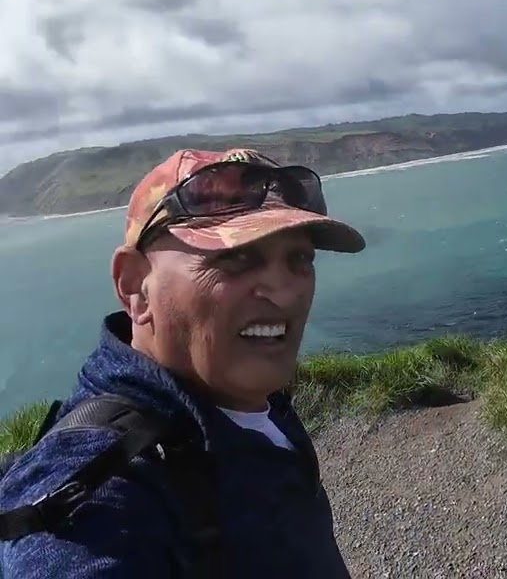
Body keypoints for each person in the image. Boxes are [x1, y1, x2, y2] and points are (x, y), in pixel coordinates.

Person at [0, 147, 366, 577]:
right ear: (135, 287)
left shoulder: (236, 389)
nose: (286, 294)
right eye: (235, 258)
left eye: (299, 259)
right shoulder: (97, 503)